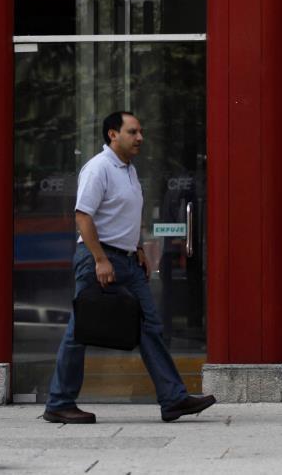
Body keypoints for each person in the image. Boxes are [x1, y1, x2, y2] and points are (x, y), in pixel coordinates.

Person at [44, 110, 216, 424]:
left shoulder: (128, 170)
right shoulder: (98, 168)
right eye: (133, 132)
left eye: (140, 132)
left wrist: (136, 247)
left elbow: (123, 215)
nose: (140, 138)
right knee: (80, 331)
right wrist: (100, 259)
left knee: (150, 327)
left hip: (126, 261)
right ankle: (59, 402)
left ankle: (173, 399)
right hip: (100, 259)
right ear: (113, 134)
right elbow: (83, 216)